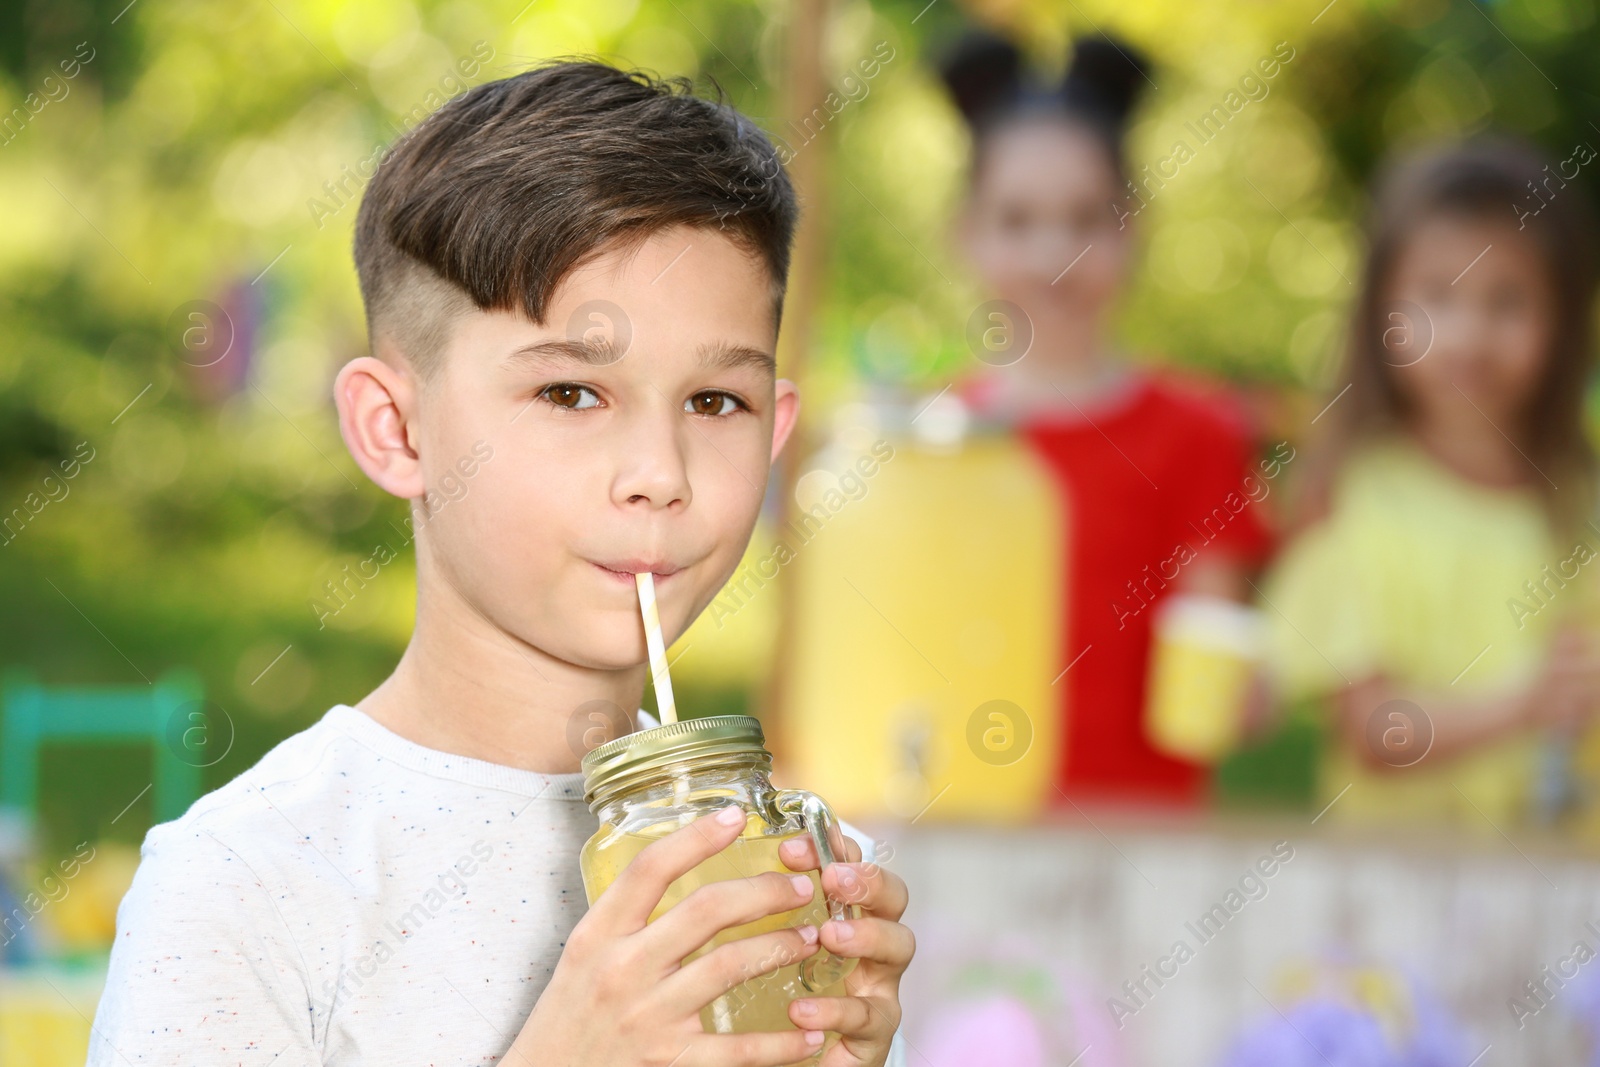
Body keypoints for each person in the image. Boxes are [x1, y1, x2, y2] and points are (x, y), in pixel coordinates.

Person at [87, 60, 913, 1066]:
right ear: (396, 428)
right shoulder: (245, 881)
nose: (659, 473)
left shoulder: (791, 869)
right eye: (571, 393)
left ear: (774, 431)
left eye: (712, 402)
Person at [936, 30, 1276, 806]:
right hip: (967, 829)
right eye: (1018, 221)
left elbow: (1215, 633)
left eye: (1086, 219)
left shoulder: (1201, 431)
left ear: (1133, 226)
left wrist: (1250, 689)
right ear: (967, 233)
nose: (1055, 251)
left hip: (1146, 841)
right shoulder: (934, 440)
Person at [1261, 136, 1600, 827]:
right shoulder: (1349, 500)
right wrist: (1527, 705)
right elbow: (1376, 730)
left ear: (1561, 320)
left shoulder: (1582, 500)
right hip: (1399, 902)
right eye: (1437, 297)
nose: (1470, 335)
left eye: (1508, 301)